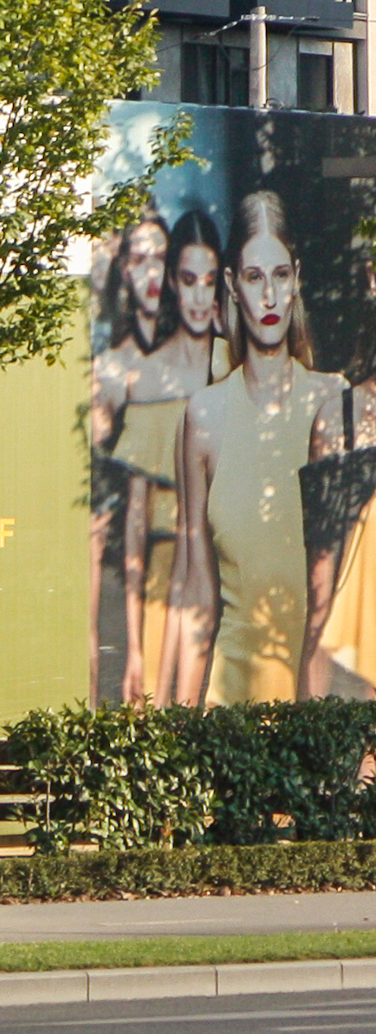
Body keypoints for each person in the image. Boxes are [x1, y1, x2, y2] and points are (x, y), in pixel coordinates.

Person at [172, 190, 345, 706]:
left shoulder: (335, 401)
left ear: (297, 279)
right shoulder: (204, 415)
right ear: (232, 284)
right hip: (232, 705)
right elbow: (196, 592)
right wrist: (174, 733)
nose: (268, 296)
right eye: (253, 277)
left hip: (322, 708)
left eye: (280, 275)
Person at [90, 206, 222, 703]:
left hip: (231, 577)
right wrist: (134, 651)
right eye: (189, 279)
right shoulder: (145, 378)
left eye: (209, 280)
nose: (198, 295)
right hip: (164, 584)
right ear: (174, 282)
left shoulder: (236, 368)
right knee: (160, 722)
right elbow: (135, 527)